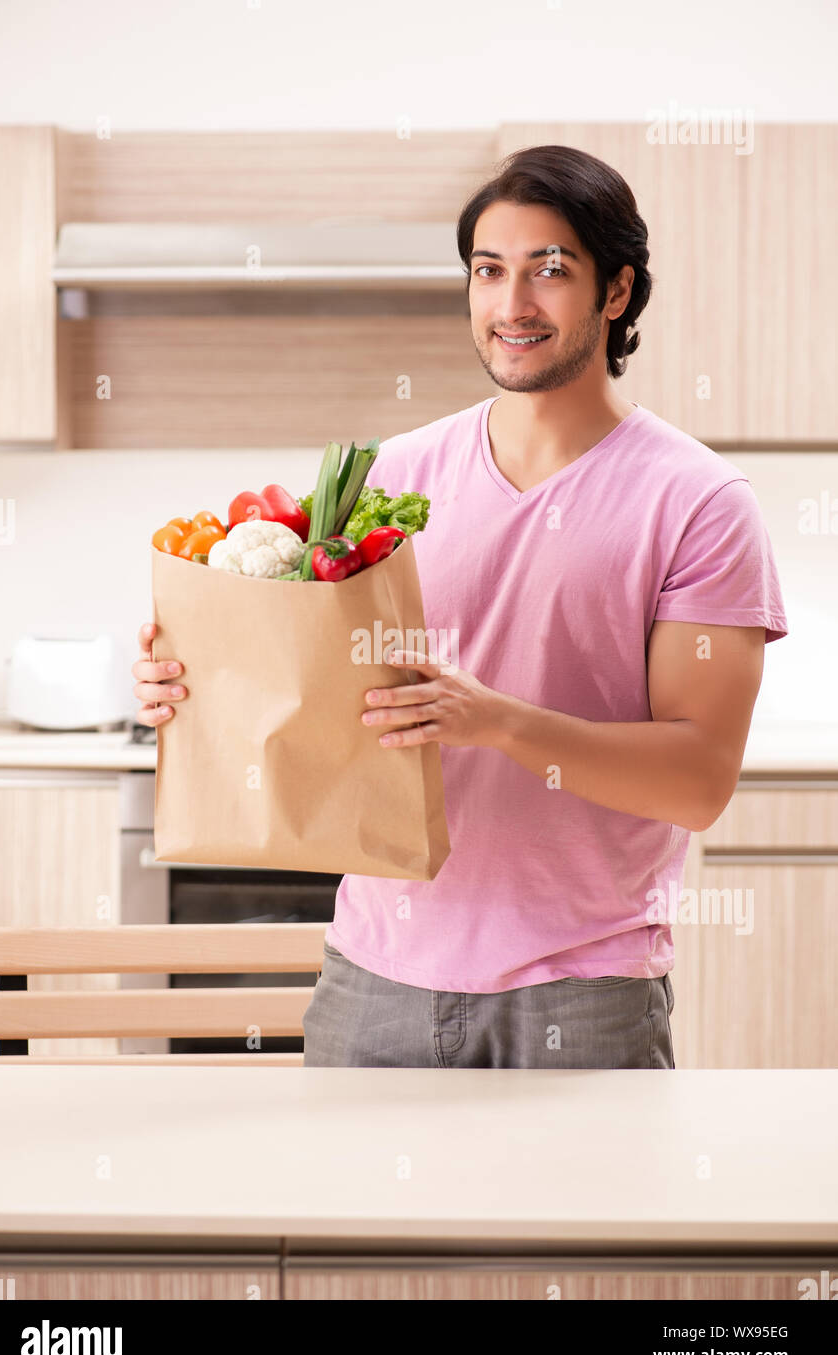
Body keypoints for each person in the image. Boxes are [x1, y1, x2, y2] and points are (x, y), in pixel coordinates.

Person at [132, 144, 788, 1070]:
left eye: (548, 271)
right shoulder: (393, 477)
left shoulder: (699, 503)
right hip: (373, 976)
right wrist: (196, 687)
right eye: (488, 271)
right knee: (351, 1219)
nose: (511, 304)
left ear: (615, 292)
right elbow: (320, 699)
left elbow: (696, 780)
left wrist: (498, 722)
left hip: (581, 992)